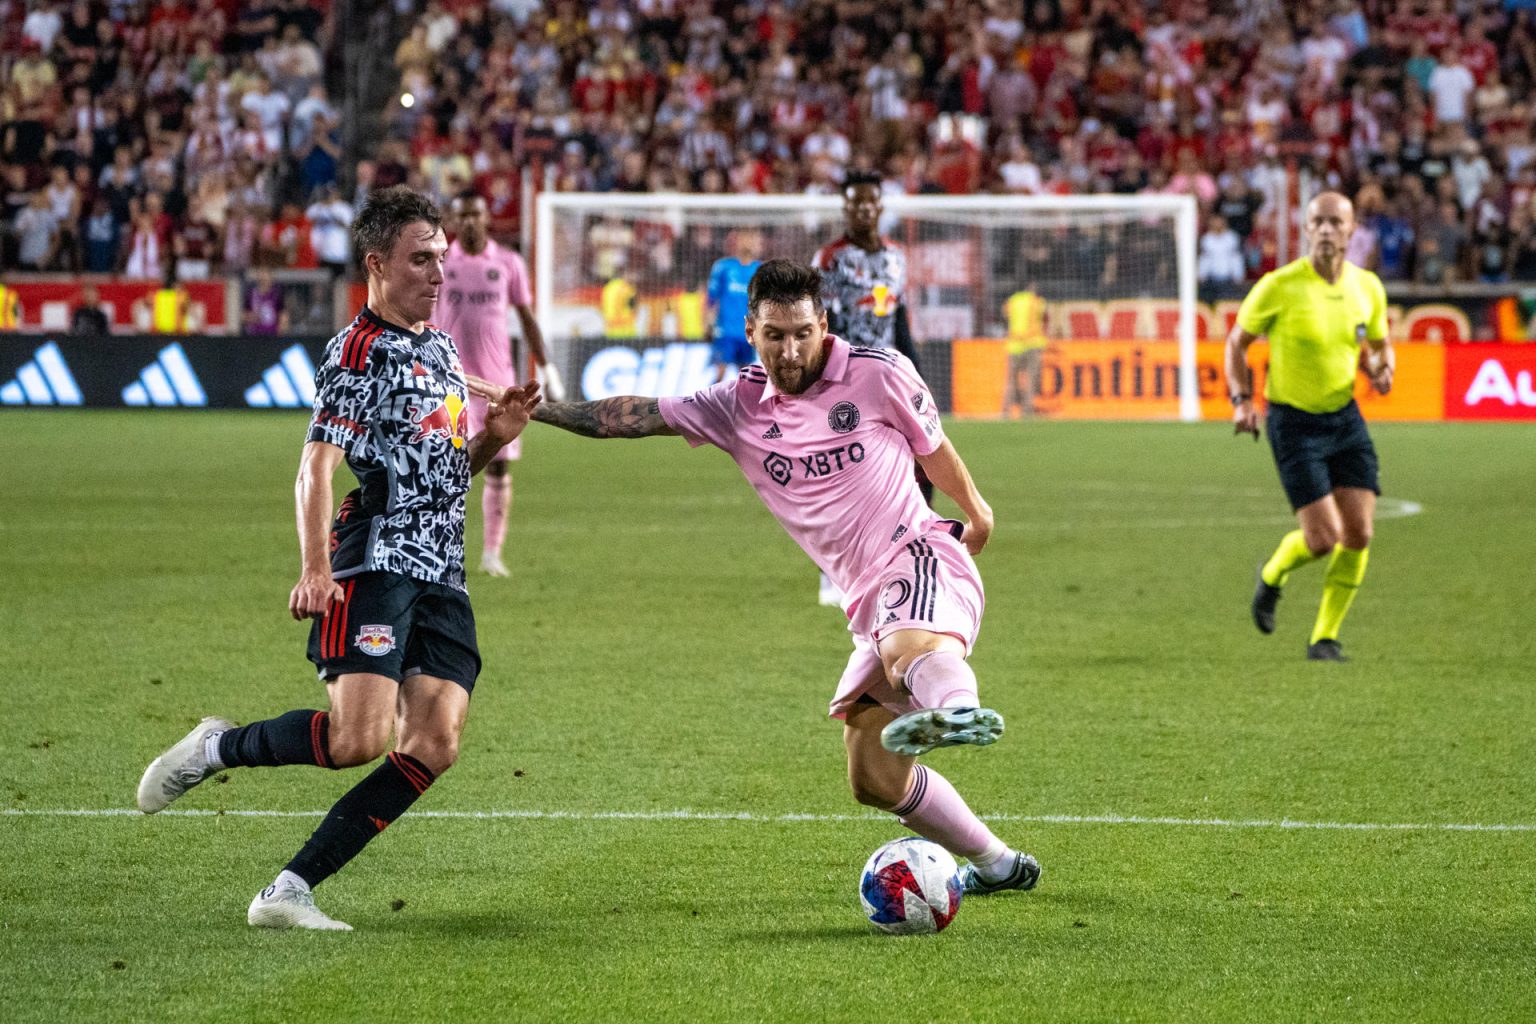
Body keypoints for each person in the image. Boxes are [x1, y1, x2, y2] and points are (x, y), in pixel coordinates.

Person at [471, 259, 1041, 898]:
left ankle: (959, 710)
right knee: (873, 776)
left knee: (910, 647)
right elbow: (627, 415)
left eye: (802, 332)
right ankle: (998, 865)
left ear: (823, 323)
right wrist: (539, 411)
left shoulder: (879, 373)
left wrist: (977, 510)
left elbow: (931, 446)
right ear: (751, 329)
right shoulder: (736, 405)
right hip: (866, 600)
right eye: (776, 335)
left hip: (920, 553)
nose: (791, 350)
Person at [136, 185, 542, 931]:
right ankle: (215, 747)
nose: (438, 273)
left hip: (441, 574)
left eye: (442, 259)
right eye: (421, 259)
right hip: (376, 563)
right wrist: (315, 567)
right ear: (377, 263)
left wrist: (495, 433)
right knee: (357, 739)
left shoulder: (443, 350)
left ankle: (289, 889)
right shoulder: (356, 352)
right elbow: (315, 467)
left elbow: (445, 474)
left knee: (435, 743)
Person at [1227, 192, 1394, 662]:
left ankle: (1325, 638)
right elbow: (1236, 344)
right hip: (1293, 422)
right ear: (1305, 228)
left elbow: (1379, 346)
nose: (1325, 229)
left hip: (1344, 418)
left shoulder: (1368, 288)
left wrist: (1381, 369)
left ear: (1351, 229)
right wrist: (1241, 401)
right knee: (1324, 539)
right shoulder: (1279, 285)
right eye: (1317, 221)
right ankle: (1273, 575)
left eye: (1334, 222)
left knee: (1359, 533)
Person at [811, 170, 929, 606]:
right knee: (841, 475)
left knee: (919, 461)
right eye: (854, 203)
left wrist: (916, 375)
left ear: (880, 207)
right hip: (844, 377)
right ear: (845, 208)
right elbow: (822, 324)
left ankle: (912, 554)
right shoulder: (830, 258)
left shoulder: (897, 257)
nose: (863, 210)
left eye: (870, 202)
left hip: (891, 376)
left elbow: (898, 319)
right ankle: (831, 570)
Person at [435, 190, 557, 578]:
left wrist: (548, 367)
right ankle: (439, 552)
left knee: (498, 468)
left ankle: (491, 554)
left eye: (476, 214)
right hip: (449, 383)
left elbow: (526, 317)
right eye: (463, 215)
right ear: (454, 221)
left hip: (497, 384)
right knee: (442, 469)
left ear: (487, 218)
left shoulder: (507, 262)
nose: (470, 221)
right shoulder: (438, 263)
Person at [704, 228, 762, 382]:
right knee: (719, 374)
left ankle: (741, 406)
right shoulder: (723, 267)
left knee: (745, 379)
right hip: (725, 332)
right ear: (736, 241)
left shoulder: (760, 269)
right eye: (744, 238)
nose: (748, 242)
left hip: (747, 333)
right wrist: (708, 324)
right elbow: (711, 299)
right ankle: (709, 404)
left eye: (751, 238)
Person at [1002, 285, 1047, 417]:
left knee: (1010, 380)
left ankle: (1006, 411)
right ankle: (1027, 411)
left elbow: (1004, 314)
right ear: (1031, 287)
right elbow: (1043, 317)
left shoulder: (1012, 300)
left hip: (1014, 345)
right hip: (1032, 344)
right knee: (1031, 380)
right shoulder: (1037, 301)